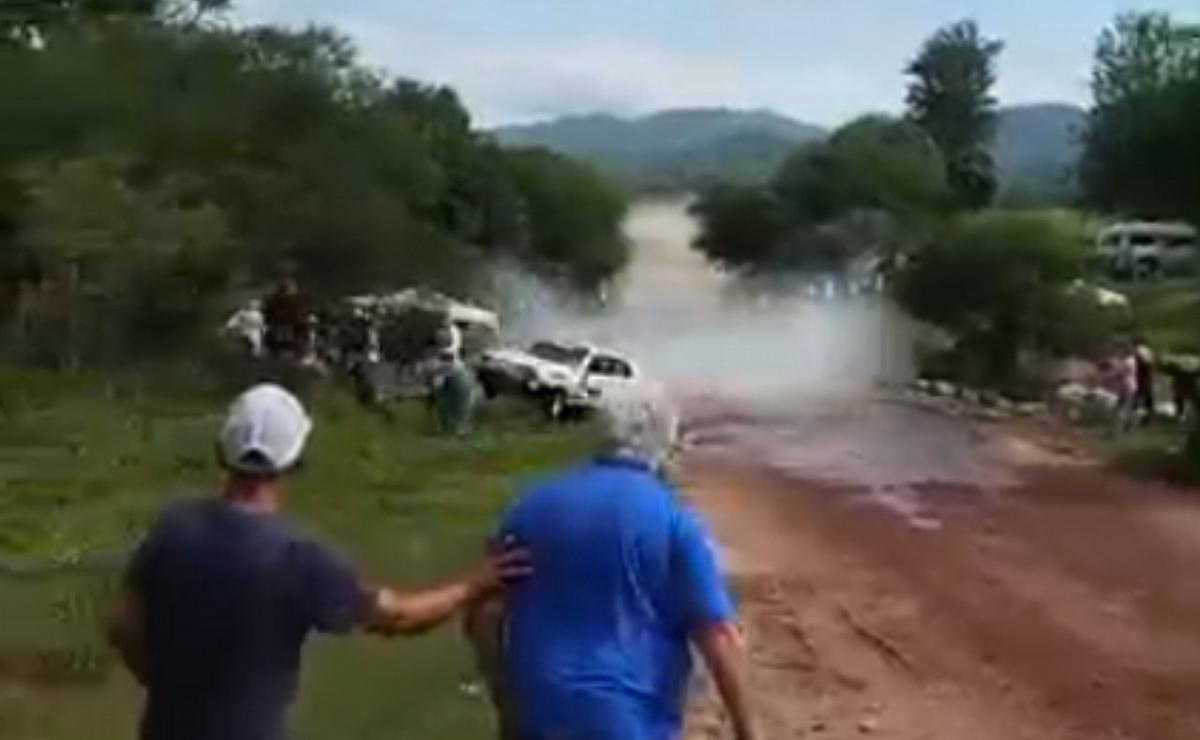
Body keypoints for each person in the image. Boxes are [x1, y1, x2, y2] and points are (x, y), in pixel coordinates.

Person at [105, 384, 529, 740]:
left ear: (223, 449)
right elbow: (398, 617)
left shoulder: (173, 527)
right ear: (295, 458)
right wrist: (475, 585)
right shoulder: (299, 557)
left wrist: (162, 684)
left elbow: (121, 624)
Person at [467, 389, 758, 740]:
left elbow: (484, 613)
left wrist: (505, 695)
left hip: (539, 710)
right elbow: (718, 637)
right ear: (662, 446)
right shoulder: (673, 521)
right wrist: (747, 733)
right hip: (628, 718)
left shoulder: (528, 506)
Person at [263, 278, 307, 359]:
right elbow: (300, 316)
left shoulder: (273, 299)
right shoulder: (296, 301)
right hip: (287, 328)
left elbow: (267, 314)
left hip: (281, 328)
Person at [1134, 340, 1156, 423]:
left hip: (1142, 379)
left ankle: (1144, 418)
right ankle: (1146, 417)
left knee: (1142, 398)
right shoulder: (1147, 351)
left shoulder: (1140, 351)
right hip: (1145, 378)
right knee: (1146, 398)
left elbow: (1146, 364)